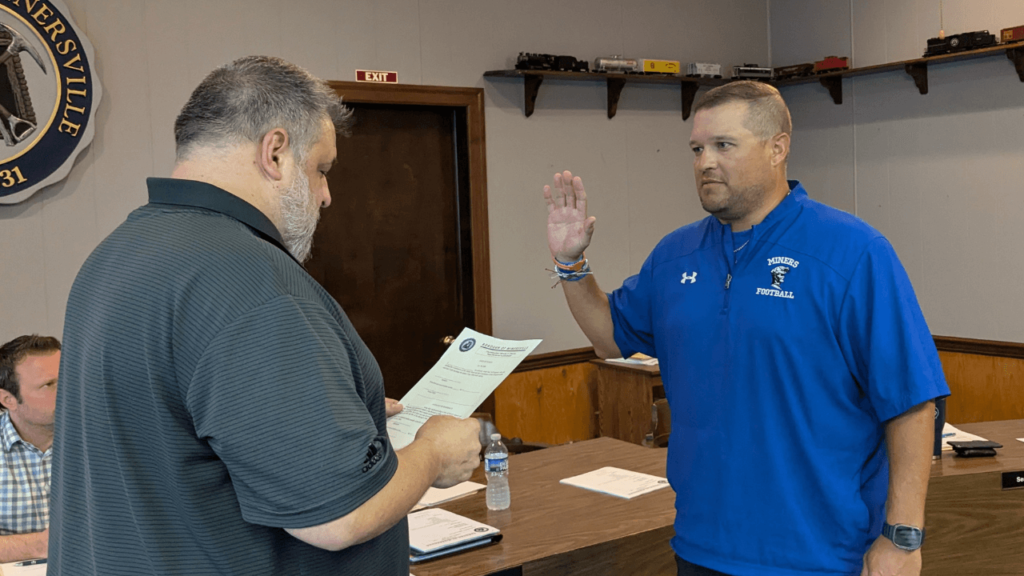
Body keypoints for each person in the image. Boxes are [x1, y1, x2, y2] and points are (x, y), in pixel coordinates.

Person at [50, 56, 482, 576]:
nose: (326, 195)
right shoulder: (251, 283)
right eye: (321, 168)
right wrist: (434, 452)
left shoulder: (114, 255)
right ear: (275, 152)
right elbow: (340, 518)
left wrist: (329, 413)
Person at [542, 81, 949, 576]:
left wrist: (902, 539)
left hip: (822, 555)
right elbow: (611, 336)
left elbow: (910, 403)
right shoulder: (675, 256)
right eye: (697, 148)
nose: (705, 162)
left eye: (724, 145)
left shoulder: (852, 252)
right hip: (700, 547)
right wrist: (571, 265)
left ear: (778, 148)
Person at [0, 335, 59, 563]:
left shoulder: (104, 439)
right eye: (49, 385)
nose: (67, 391)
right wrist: (42, 545)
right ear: (8, 399)